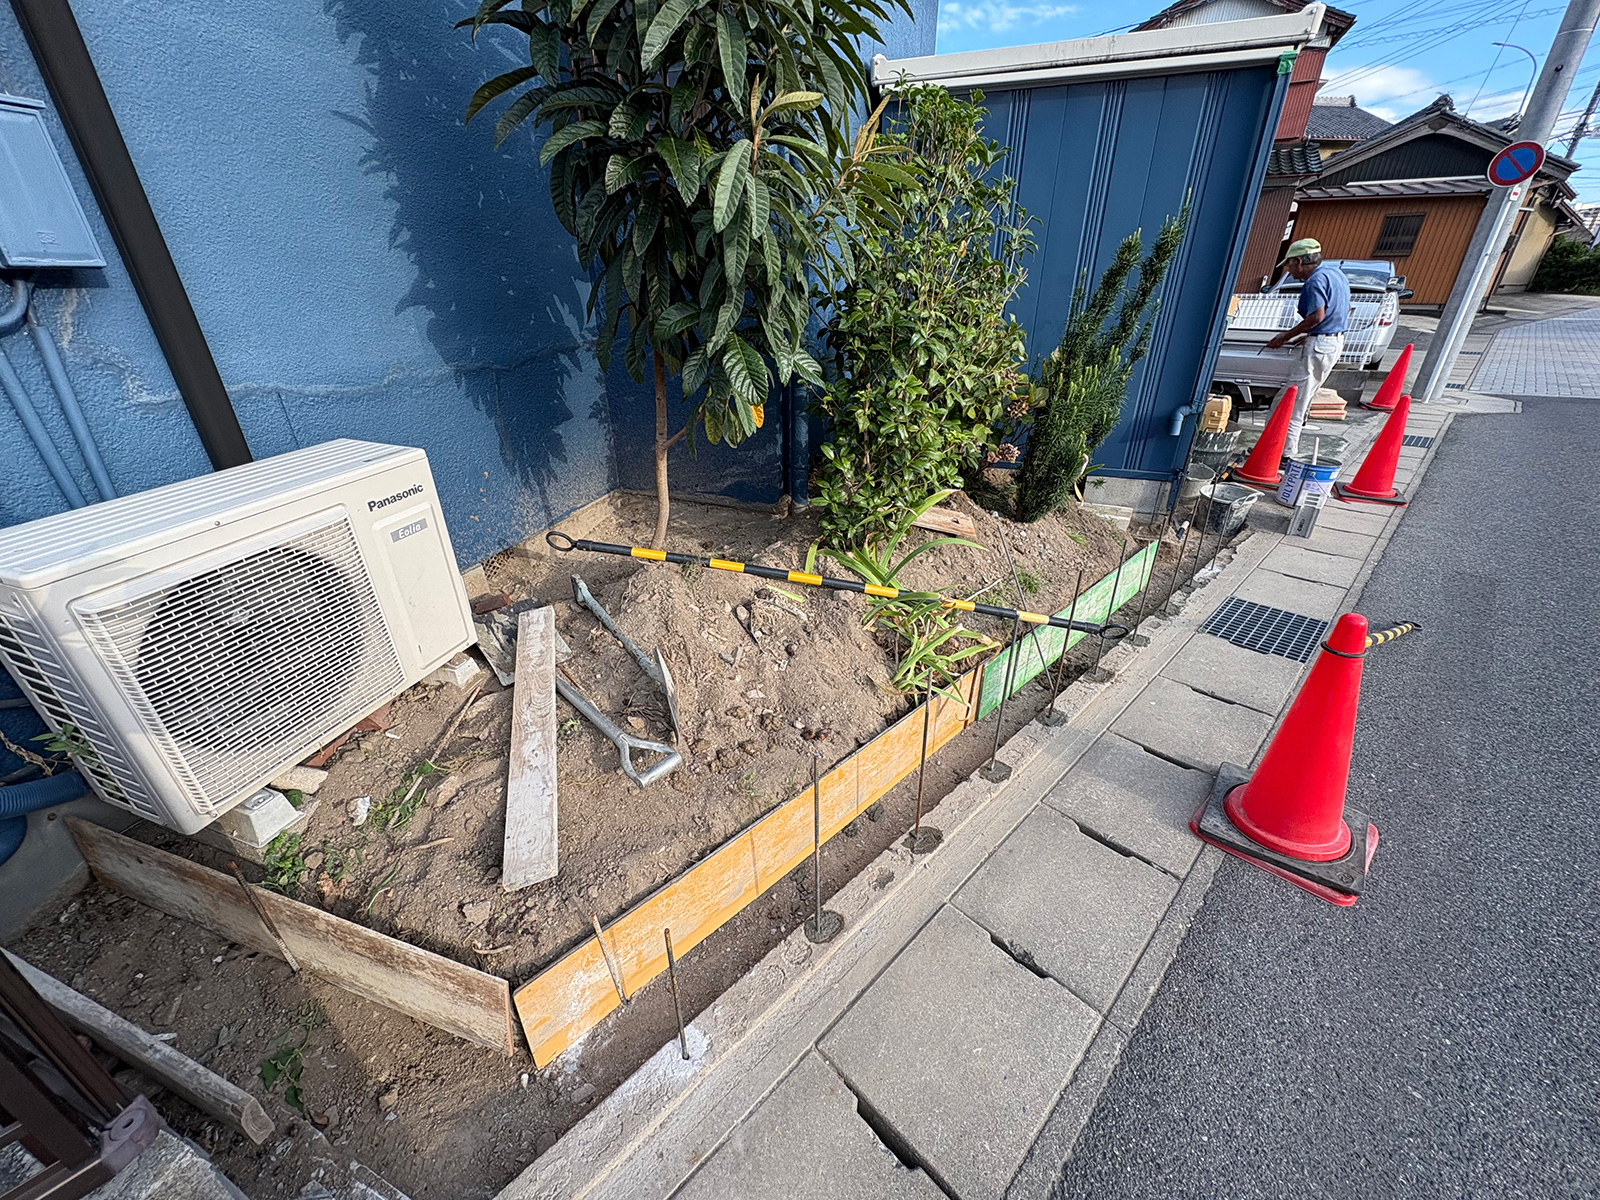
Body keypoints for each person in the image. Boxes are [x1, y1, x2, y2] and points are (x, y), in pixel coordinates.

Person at [1264, 239, 1350, 461]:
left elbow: (1317, 316)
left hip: (1321, 344)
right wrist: (1311, 334)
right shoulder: (1335, 274)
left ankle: (1283, 454)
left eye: (1290, 266)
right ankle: (1278, 451)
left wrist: (1285, 336)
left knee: (1292, 402)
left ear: (1299, 261)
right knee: (1302, 398)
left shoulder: (1315, 281)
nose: (1290, 272)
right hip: (1332, 342)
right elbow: (1342, 310)